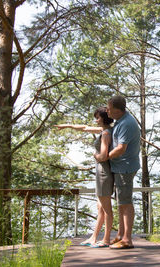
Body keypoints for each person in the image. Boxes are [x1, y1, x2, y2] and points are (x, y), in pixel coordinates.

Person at [54, 107, 114, 248]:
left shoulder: (105, 133)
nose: (96, 119)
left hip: (104, 173)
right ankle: (93, 237)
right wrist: (67, 125)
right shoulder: (104, 130)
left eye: (98, 117)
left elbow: (104, 156)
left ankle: (106, 240)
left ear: (104, 118)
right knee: (100, 207)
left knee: (106, 209)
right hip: (102, 173)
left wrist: (95, 155)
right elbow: (85, 128)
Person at [98, 95, 140, 249]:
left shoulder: (126, 124)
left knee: (125, 203)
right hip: (120, 167)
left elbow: (121, 148)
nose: (107, 111)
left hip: (125, 167)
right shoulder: (121, 121)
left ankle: (127, 239)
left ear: (117, 110)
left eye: (109, 109)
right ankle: (121, 235)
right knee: (121, 202)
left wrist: (104, 157)